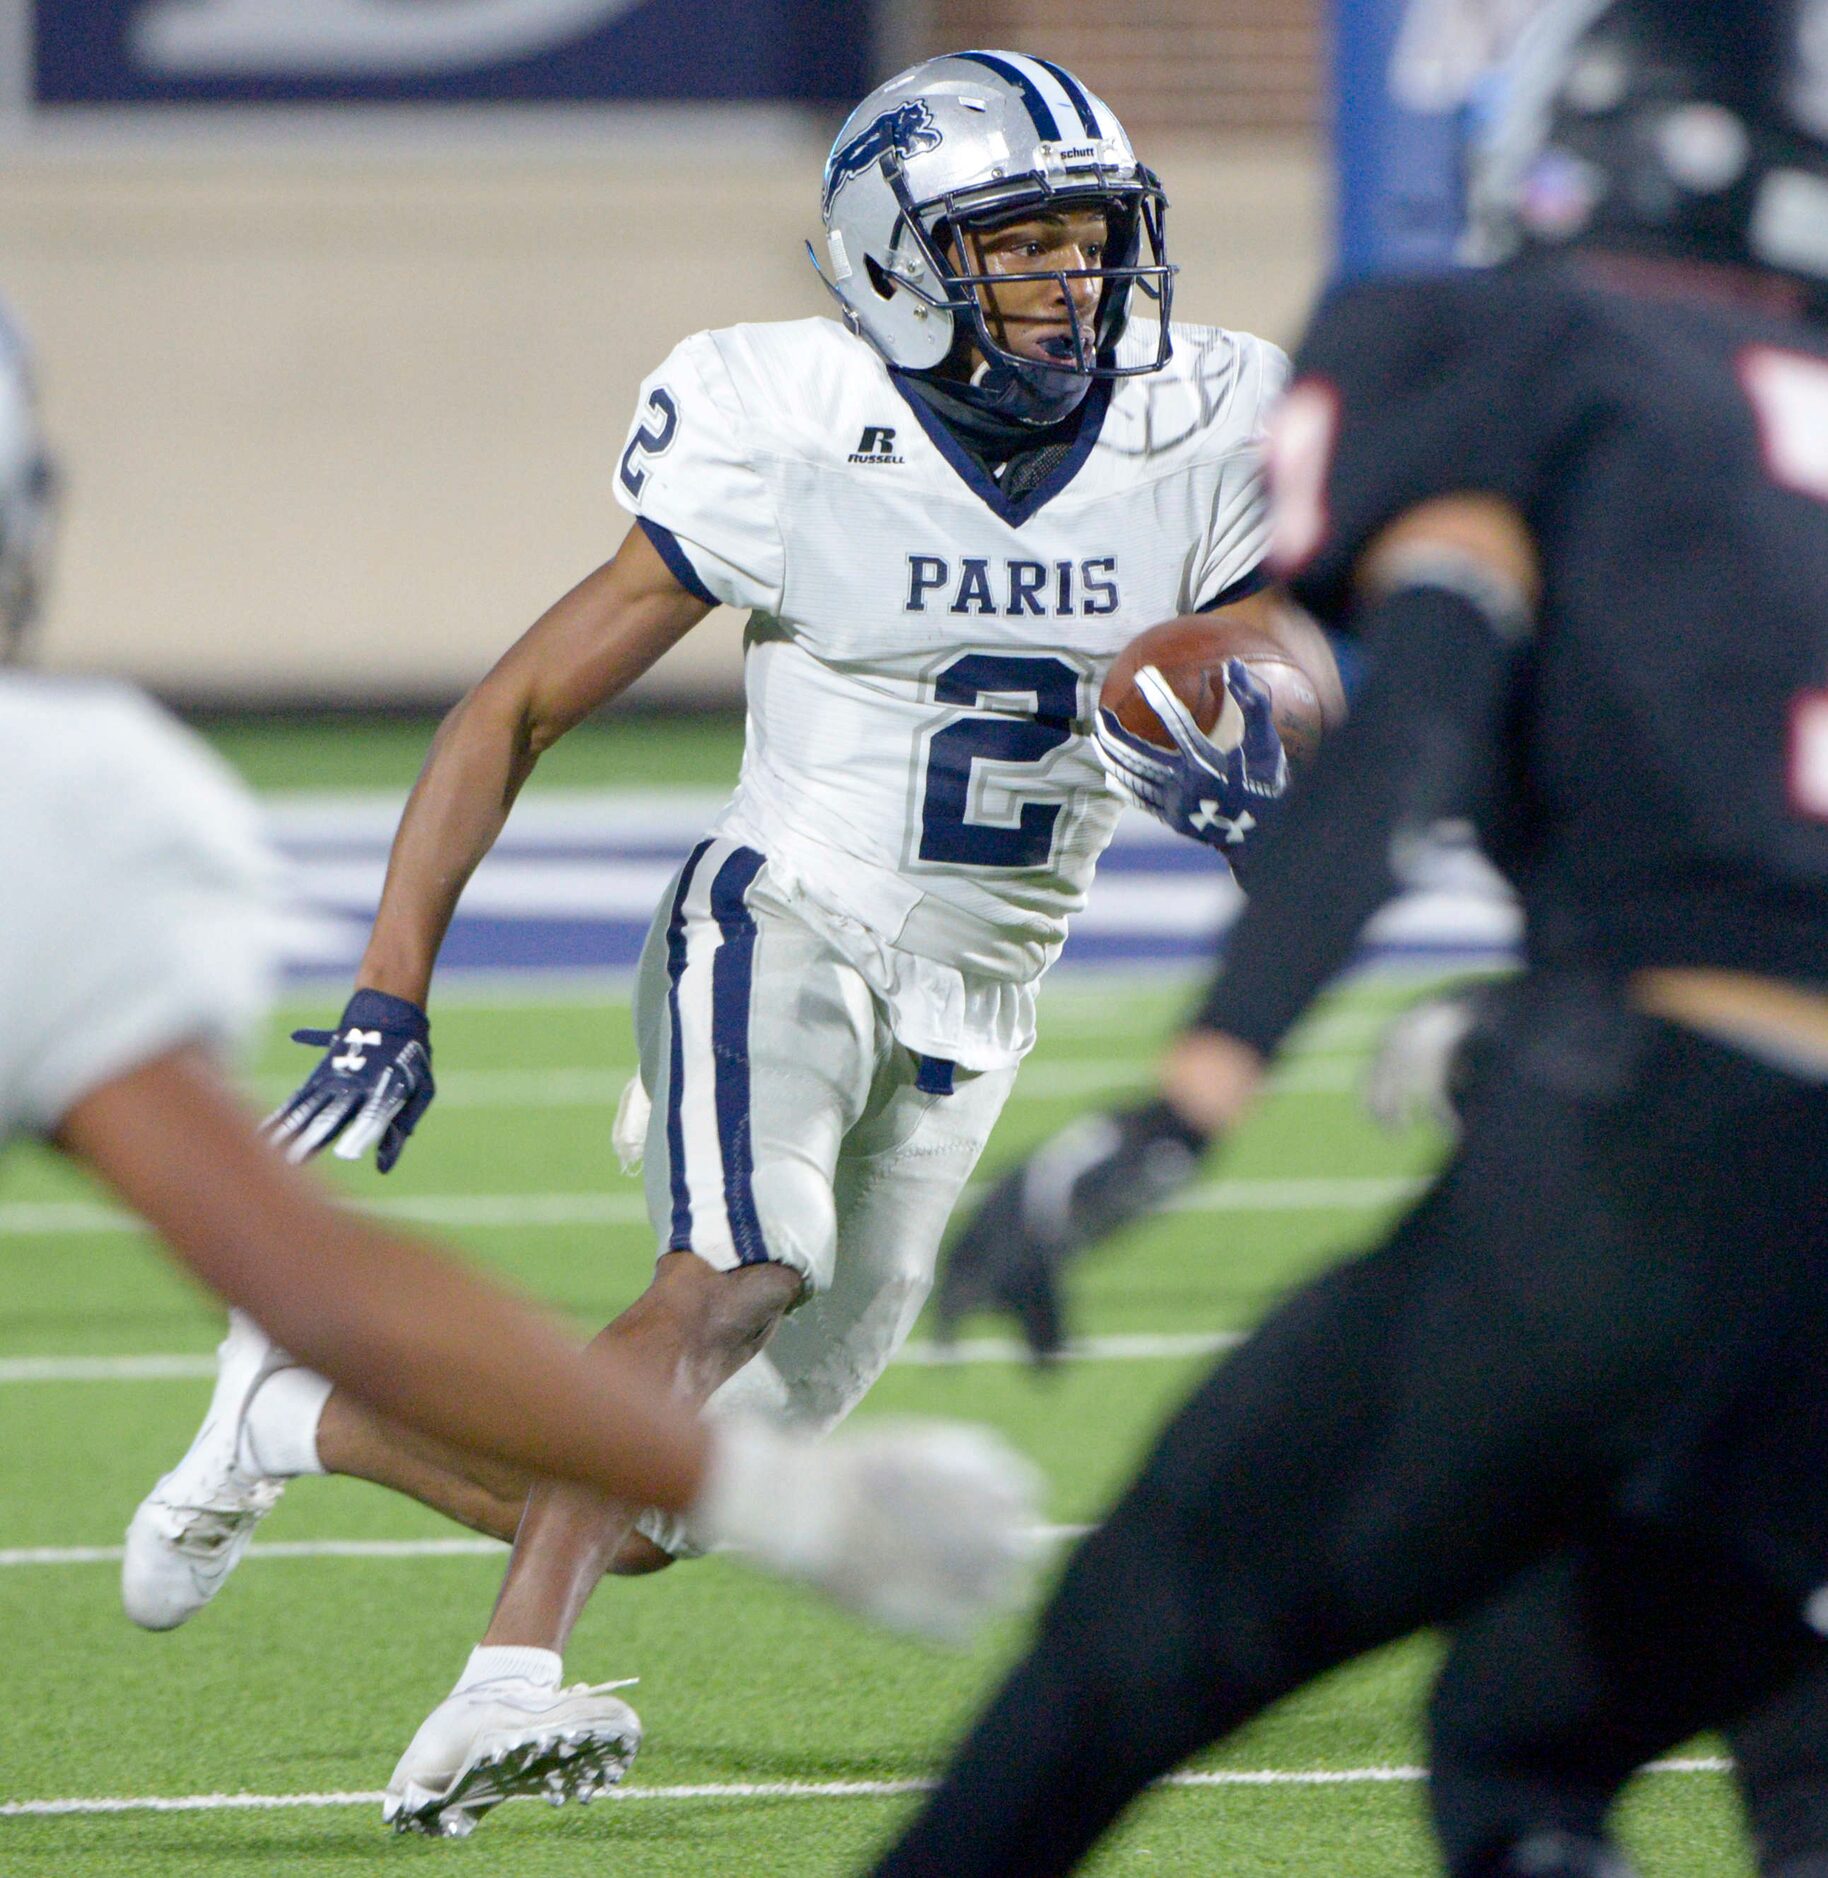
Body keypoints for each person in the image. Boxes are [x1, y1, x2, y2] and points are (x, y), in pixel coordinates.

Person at [122, 48, 1333, 1837]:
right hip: (785, 908)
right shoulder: (791, 415)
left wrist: (1272, 743)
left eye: (1090, 240)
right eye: (1021, 247)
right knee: (732, 1272)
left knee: (694, 1500)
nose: (1074, 281)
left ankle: (300, 1415)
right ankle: (503, 1679)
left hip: (978, 1003)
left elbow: (1283, 669)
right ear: (895, 264)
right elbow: (519, 701)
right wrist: (390, 987)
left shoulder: (1203, 421)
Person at [872, 4, 1828, 1874]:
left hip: (1664, 1139)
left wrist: (1190, 1098)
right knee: (1532, 1732)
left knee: (1124, 1650)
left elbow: (1418, 724)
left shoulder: (1514, 338)